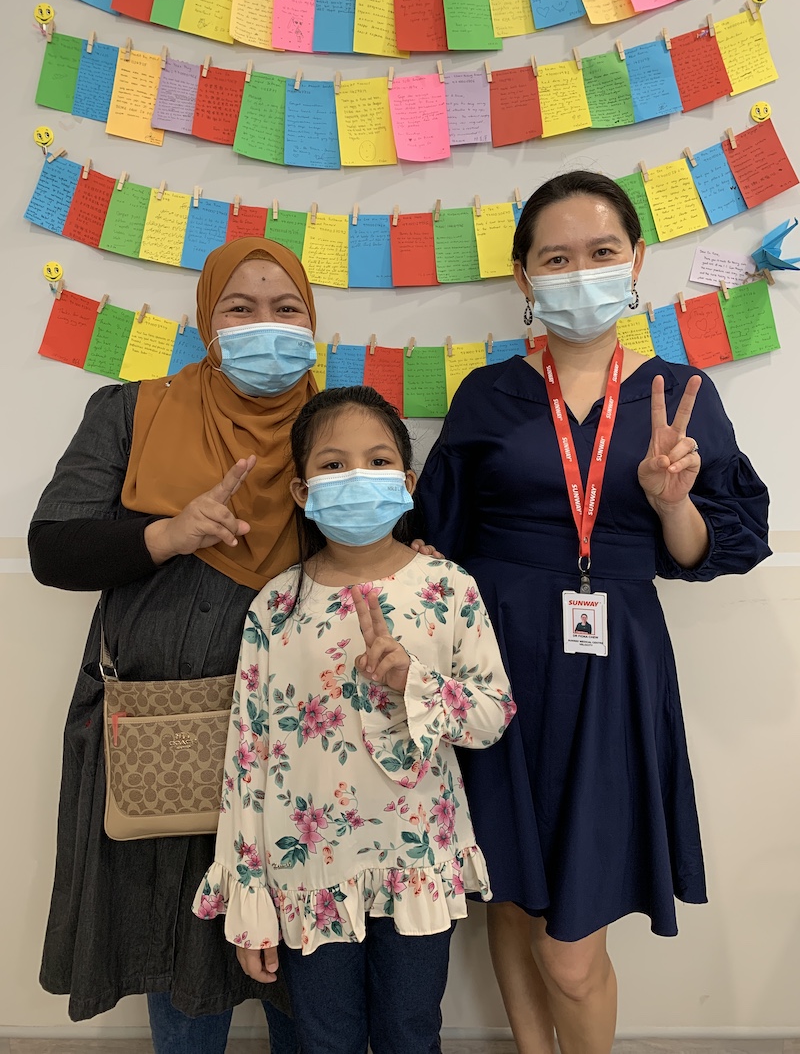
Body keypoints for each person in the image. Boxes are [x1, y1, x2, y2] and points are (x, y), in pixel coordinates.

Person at [415, 171, 771, 1054]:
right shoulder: (487, 396)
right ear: (524, 277)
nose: (582, 271)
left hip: (612, 674)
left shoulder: (676, 395)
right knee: (509, 886)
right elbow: (436, 540)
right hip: (493, 666)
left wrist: (670, 500)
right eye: (557, 257)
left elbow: (706, 551)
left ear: (637, 260)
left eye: (603, 252)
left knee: (571, 946)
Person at [28, 235, 336, 1053]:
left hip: (300, 738)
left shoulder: (338, 426)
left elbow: (384, 546)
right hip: (162, 728)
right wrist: (167, 533)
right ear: (208, 319)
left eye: (286, 308)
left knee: (305, 952)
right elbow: (51, 549)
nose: (264, 325)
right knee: (181, 941)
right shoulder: (132, 410)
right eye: (241, 307)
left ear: (313, 323)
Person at [192, 386, 517, 1054]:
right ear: (303, 491)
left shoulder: (447, 587)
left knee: (409, 1032)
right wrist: (248, 896)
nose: (356, 477)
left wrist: (413, 681)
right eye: (334, 465)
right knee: (325, 1038)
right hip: (309, 869)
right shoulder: (276, 607)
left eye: (376, 461)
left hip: (417, 861)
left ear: (407, 482)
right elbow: (246, 761)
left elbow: (492, 715)